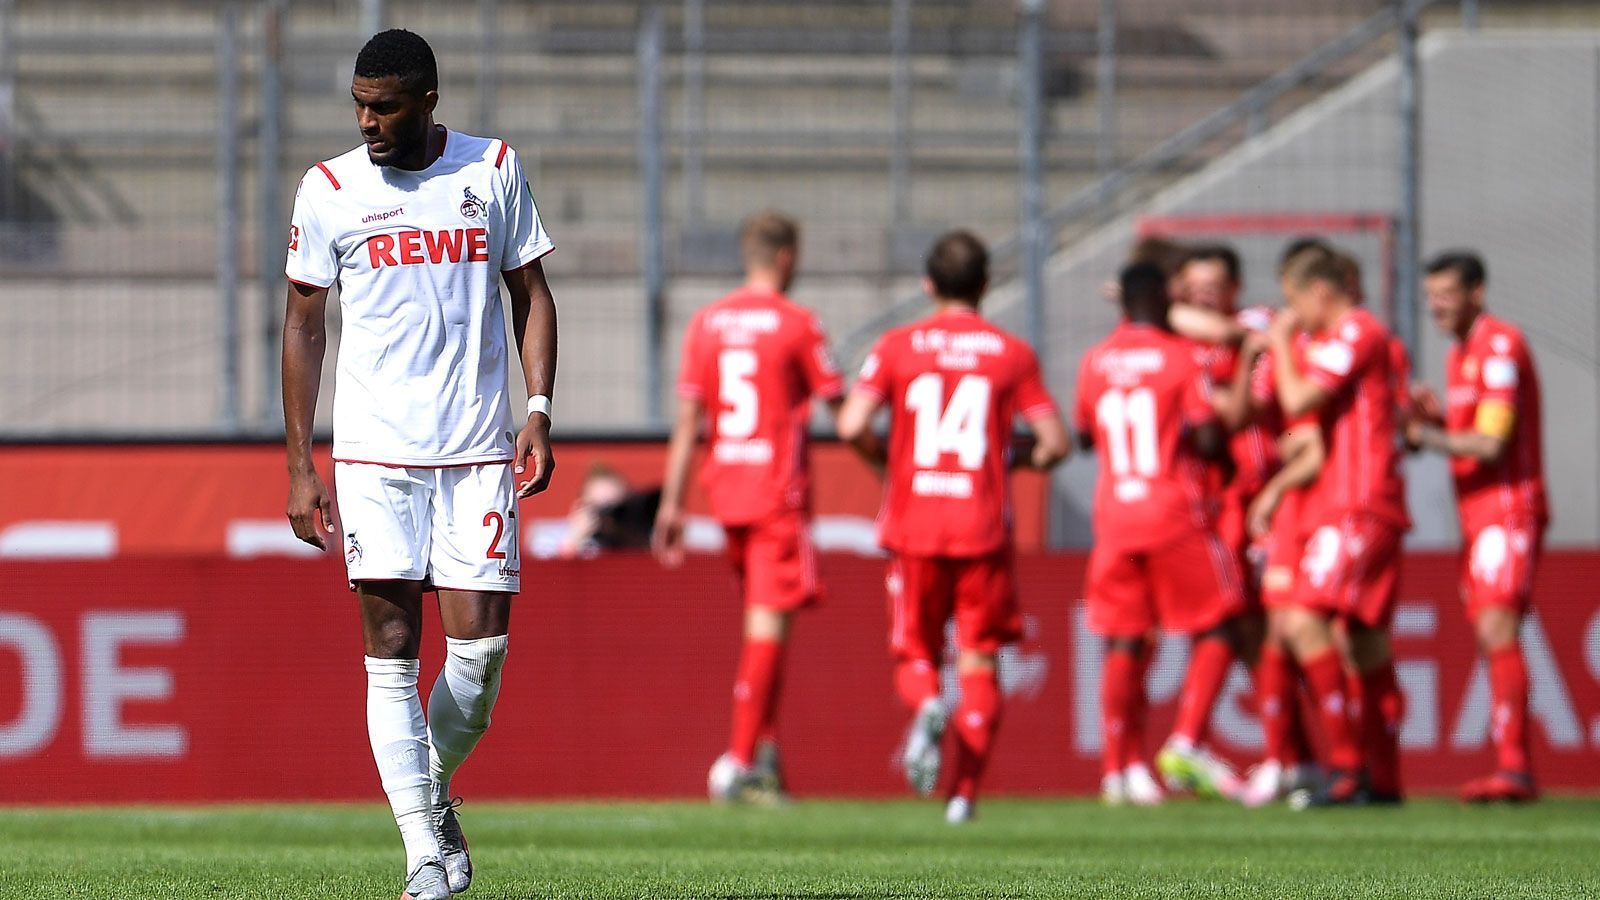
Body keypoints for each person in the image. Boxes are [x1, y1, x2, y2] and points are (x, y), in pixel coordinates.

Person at [281, 30, 557, 900]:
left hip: (477, 449)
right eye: (358, 105)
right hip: (373, 456)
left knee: (478, 666)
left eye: (385, 106)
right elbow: (303, 325)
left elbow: (533, 296)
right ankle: (421, 859)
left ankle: (430, 790)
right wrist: (299, 462)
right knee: (392, 649)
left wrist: (539, 410)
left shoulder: (493, 170)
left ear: (428, 101)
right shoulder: (329, 190)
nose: (368, 122)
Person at [837, 231, 1070, 823]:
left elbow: (852, 423)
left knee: (916, 652)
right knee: (981, 659)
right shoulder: (1011, 353)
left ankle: (929, 703)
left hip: (915, 521)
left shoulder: (897, 346)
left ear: (928, 284)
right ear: (986, 285)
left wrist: (888, 464)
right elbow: (1055, 443)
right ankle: (962, 795)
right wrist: (1016, 461)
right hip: (981, 525)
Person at [653, 212, 865, 804]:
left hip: (726, 494)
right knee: (768, 629)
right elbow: (842, 410)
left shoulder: (707, 323)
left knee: (760, 623)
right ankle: (740, 761)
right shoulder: (797, 324)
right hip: (777, 496)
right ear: (788, 258)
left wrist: (672, 504)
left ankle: (765, 763)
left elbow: (689, 420)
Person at [1074, 261, 1246, 807]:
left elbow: (1084, 435)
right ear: (1166, 302)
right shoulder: (1180, 358)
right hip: (1172, 512)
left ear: (1122, 303)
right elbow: (1208, 434)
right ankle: (1187, 739)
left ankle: (1118, 770)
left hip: (1114, 516)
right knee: (1222, 623)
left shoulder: (1094, 360)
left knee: (1124, 639)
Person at [1268, 244, 1409, 805]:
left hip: (1359, 503)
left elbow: (1300, 396)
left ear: (1320, 292)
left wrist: (1279, 343)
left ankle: (1347, 769)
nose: (1293, 317)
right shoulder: (1341, 341)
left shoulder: (1356, 330)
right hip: (1357, 502)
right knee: (1366, 644)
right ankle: (1385, 779)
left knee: (1303, 621)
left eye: (1294, 303)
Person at [1409, 251, 1547, 803]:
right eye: (1431, 296)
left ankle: (1514, 767)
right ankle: (1512, 764)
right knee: (1492, 630)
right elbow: (1476, 429)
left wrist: (1426, 438)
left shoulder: (1498, 346)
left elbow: (1491, 444)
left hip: (1508, 508)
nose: (1436, 306)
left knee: (1497, 626)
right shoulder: (1461, 354)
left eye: (1446, 294)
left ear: (1476, 293)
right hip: (1479, 514)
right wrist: (1440, 419)